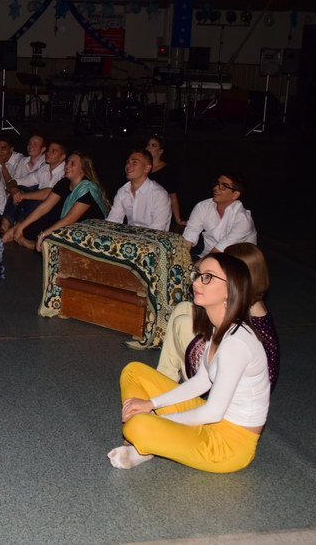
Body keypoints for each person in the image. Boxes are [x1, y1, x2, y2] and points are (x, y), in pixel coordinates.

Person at [108, 253, 270, 473]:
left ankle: (146, 444)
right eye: (198, 275)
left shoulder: (236, 343)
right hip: (211, 421)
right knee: (133, 371)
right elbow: (202, 381)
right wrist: (151, 404)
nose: (196, 282)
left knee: (136, 427)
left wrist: (161, 420)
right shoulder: (219, 327)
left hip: (228, 447)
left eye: (208, 277)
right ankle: (150, 442)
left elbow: (213, 412)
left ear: (230, 289)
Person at [157, 243, 280, 391]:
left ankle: (187, 389)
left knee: (184, 324)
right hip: (233, 360)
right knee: (184, 307)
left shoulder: (246, 308)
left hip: (238, 383)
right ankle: (163, 378)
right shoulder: (248, 296)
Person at [4, 151, 110, 250]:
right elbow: (45, 207)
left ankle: (31, 244)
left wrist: (44, 235)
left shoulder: (87, 189)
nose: (67, 166)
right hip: (70, 222)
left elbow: (69, 219)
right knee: (40, 221)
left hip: (88, 228)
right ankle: (28, 240)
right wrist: (22, 226)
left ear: (83, 169)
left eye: (72, 164)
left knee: (54, 239)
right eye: (67, 162)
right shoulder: (64, 182)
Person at [182, 172, 257, 258]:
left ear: (235, 195)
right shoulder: (202, 207)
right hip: (207, 257)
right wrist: (180, 259)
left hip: (235, 262)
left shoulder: (243, 220)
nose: (216, 188)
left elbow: (220, 250)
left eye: (224, 186)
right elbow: (190, 234)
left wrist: (198, 265)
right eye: (217, 183)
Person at [106, 149, 172, 231]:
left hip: (154, 237)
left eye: (134, 162)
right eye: (128, 162)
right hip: (132, 236)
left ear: (147, 168)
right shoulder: (123, 191)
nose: (128, 165)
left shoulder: (159, 194)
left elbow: (157, 230)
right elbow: (113, 220)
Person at [145, 135, 186, 228]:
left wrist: (178, 219)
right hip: (142, 210)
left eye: (153, 145)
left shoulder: (167, 170)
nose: (149, 148)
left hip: (159, 212)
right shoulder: (141, 167)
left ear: (160, 151)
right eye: (148, 145)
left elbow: (172, 196)